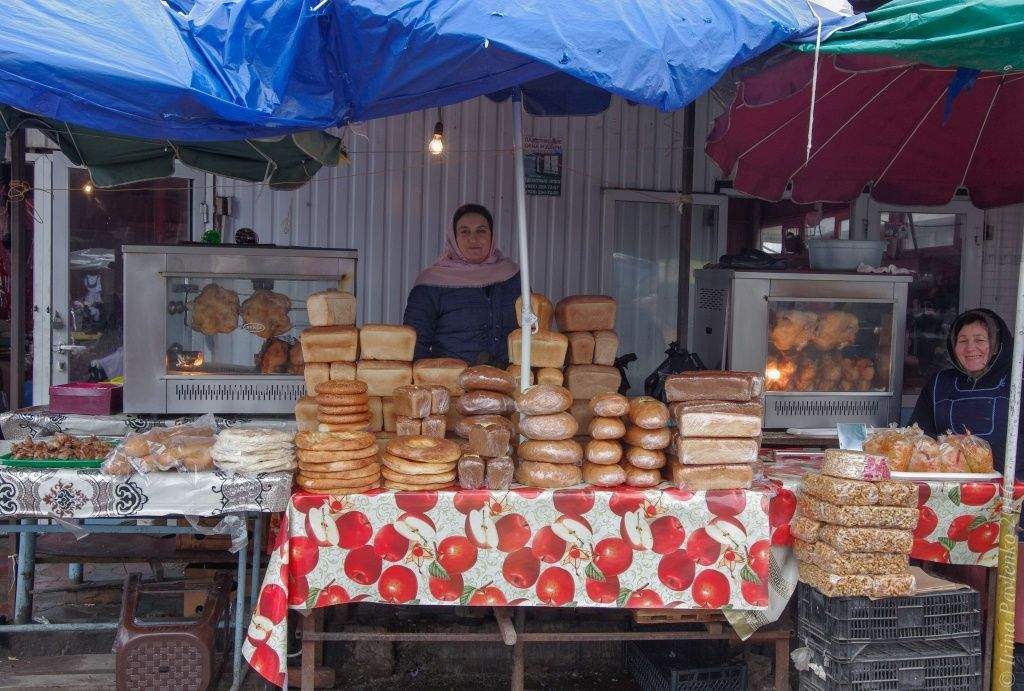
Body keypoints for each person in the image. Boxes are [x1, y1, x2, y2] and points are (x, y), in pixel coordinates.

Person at [909, 308, 1023, 478]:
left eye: (980, 340)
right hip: (946, 491)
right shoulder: (939, 383)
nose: (970, 348)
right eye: (962, 340)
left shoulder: (1017, 383)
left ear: (997, 345)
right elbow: (918, 437)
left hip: (1011, 492)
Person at [403, 204, 520, 365]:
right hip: (454, 384)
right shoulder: (431, 283)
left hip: (509, 382)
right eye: (465, 232)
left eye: (481, 231)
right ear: (454, 237)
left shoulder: (513, 276)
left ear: (492, 236)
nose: (473, 239)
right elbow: (414, 345)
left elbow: (534, 332)